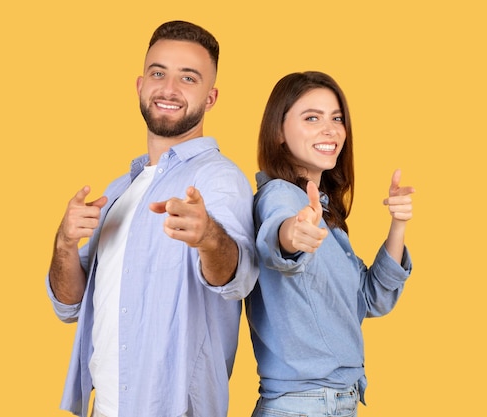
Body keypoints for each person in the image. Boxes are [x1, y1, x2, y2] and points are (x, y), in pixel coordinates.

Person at [45, 20, 258, 417]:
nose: (169, 89)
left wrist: (209, 237)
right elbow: (69, 305)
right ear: (140, 85)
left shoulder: (219, 179)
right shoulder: (119, 191)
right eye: (159, 73)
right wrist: (64, 245)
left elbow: (238, 279)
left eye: (188, 78)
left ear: (210, 98)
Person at [245, 71, 415, 417]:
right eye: (312, 118)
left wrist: (398, 225)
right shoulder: (279, 196)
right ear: (279, 131)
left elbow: (372, 299)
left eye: (337, 118)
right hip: (304, 405)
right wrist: (292, 235)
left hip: (336, 401)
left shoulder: (326, 216)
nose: (331, 130)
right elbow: (280, 240)